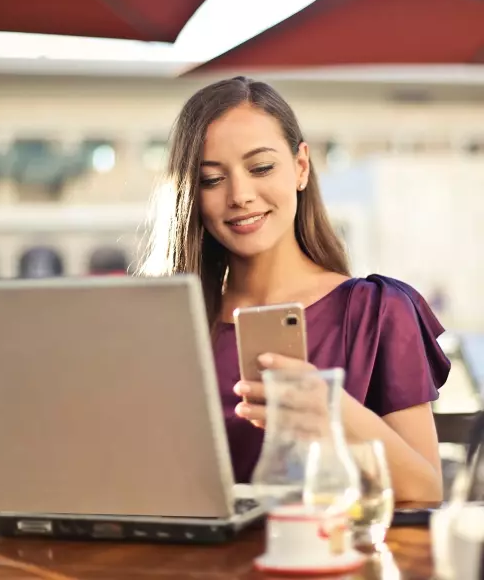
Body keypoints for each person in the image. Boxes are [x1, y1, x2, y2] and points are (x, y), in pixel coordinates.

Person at [140, 76, 450, 502]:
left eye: (261, 167)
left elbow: (427, 489)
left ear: (300, 167)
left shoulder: (377, 310)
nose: (240, 195)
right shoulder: (165, 324)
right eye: (212, 179)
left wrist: (331, 411)